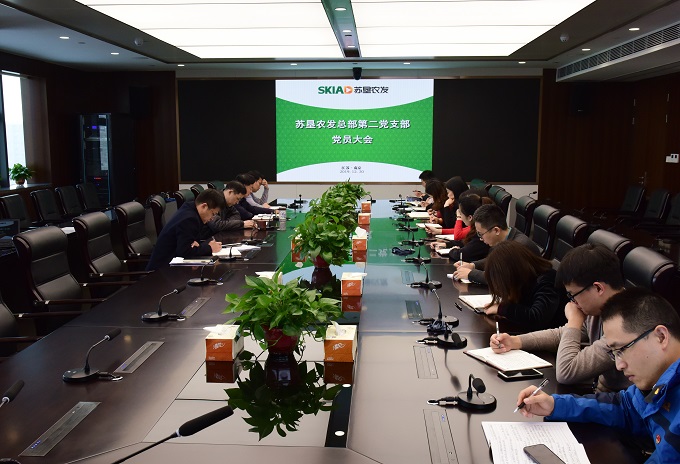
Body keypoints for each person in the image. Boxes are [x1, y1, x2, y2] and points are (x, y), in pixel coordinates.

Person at [516, 288, 680, 462]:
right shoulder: (655, 384)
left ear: (661, 337)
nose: (619, 365)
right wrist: (555, 405)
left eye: (622, 350)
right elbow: (624, 407)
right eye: (614, 353)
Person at [491, 244, 630, 392]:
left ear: (598, 288)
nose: (572, 302)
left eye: (573, 294)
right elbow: (561, 334)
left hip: (614, 401)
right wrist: (515, 341)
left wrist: (574, 321)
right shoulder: (599, 309)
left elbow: (566, 372)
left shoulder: (624, 324)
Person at [483, 241, 567, 331]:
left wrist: (502, 309)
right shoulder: (525, 280)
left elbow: (537, 317)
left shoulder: (547, 279)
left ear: (512, 273)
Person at [453, 204, 540, 285]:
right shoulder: (506, 236)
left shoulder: (519, 246)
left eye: (481, 234)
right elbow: (495, 260)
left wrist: (471, 274)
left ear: (496, 230)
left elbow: (502, 279)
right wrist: (473, 265)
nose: (480, 238)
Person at [146, 189, 225, 271]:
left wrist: (198, 246)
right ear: (204, 206)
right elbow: (185, 252)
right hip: (161, 271)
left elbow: (191, 245)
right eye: (213, 214)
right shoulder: (189, 219)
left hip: (171, 266)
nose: (212, 218)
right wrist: (209, 248)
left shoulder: (190, 209)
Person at [431, 192, 491, 263]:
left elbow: (461, 254)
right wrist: (446, 244)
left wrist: (453, 251)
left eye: (460, 214)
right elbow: (465, 241)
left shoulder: (479, 234)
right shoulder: (474, 229)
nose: (460, 216)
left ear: (470, 217)